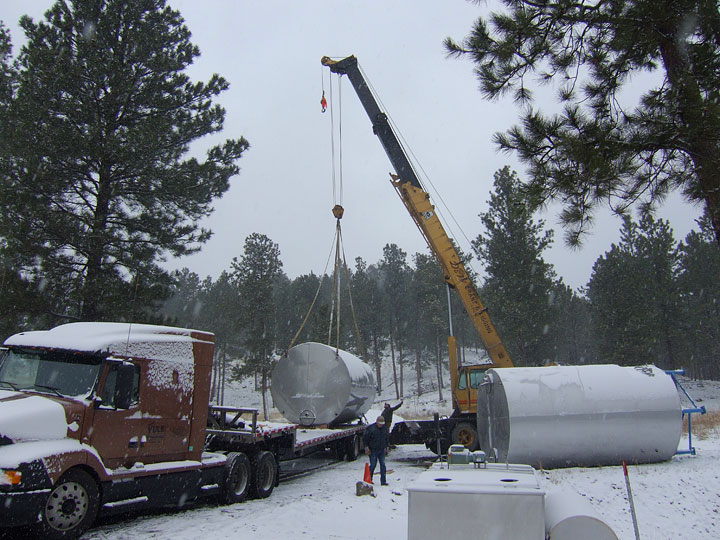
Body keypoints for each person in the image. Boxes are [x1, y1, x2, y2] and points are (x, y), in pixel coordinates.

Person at [363, 415, 389, 485]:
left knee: (383, 465)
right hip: (373, 450)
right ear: (377, 422)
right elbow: (365, 439)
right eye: (380, 424)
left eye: (382, 424)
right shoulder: (371, 429)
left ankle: (383, 481)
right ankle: (369, 480)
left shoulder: (385, 428)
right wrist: (366, 447)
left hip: (382, 449)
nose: (381, 425)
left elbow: (386, 438)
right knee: (373, 465)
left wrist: (387, 447)